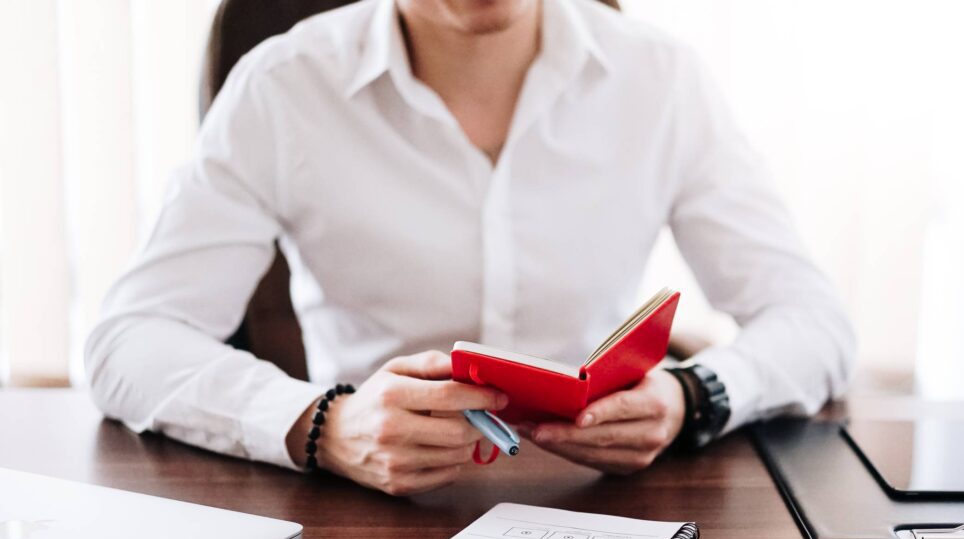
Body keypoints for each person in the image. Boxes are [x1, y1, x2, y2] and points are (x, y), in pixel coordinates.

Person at [86, 0, 855, 496]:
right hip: (368, 508)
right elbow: (128, 341)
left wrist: (695, 397)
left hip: (603, 505)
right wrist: (323, 423)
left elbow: (814, 321)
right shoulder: (283, 87)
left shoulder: (660, 79)